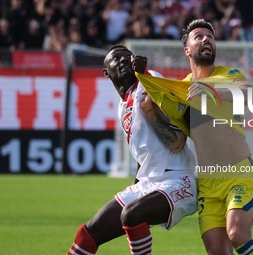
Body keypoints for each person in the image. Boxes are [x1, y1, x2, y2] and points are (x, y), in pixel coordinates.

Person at [66, 45, 197, 255]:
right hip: (147, 183)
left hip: (177, 179)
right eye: (116, 58)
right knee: (88, 232)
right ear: (106, 72)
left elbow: (177, 143)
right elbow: (142, 154)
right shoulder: (122, 105)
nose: (123, 60)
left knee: (131, 214)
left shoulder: (150, 79)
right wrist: (135, 187)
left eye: (127, 56)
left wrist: (144, 73)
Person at [182, 19, 253, 255]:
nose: (206, 38)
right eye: (199, 36)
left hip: (239, 174)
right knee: (218, 252)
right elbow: (177, 137)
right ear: (187, 50)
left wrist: (210, 90)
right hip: (207, 184)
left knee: (237, 234)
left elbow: (251, 95)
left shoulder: (230, 75)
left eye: (210, 36)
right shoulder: (183, 90)